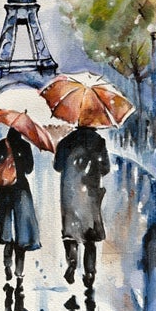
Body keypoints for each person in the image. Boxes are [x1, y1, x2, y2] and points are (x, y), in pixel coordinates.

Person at [53, 124, 111, 292]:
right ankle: (90, 272)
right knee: (89, 236)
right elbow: (105, 168)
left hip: (70, 192)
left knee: (70, 233)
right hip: (90, 192)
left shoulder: (66, 141)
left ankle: (72, 263)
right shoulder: (99, 142)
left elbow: (57, 166)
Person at [0, 129, 39, 292]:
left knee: (7, 228)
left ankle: (7, 265)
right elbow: (29, 169)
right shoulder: (25, 146)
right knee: (22, 233)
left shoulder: (2, 144)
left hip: (4, 191)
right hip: (21, 190)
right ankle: (19, 271)